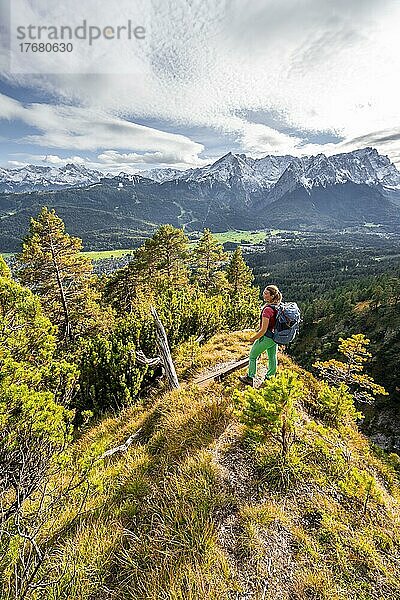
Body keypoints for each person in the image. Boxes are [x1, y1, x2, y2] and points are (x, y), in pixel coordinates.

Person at [239, 284, 282, 387]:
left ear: (272, 296)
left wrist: (253, 338)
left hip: (266, 337)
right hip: (274, 338)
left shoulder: (267, 310)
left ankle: (250, 377)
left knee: (253, 356)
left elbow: (263, 330)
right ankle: (270, 377)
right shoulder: (278, 306)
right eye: (264, 292)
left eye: (266, 293)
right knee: (272, 357)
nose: (264, 294)